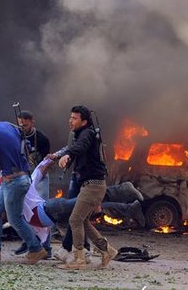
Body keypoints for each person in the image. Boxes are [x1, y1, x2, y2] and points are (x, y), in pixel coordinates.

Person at [11, 159, 145, 259]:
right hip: (53, 214)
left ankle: (123, 190)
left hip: (54, 209)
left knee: (88, 201)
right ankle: (108, 247)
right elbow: (38, 233)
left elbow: (37, 174)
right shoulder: (19, 217)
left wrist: (49, 160)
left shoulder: (22, 192)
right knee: (85, 215)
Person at [0, 105, 46, 264]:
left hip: (14, 181)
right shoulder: (10, 126)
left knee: (14, 219)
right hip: (19, 178)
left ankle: (36, 249)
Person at [57, 105, 117, 270]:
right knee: (82, 221)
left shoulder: (87, 134)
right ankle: (107, 250)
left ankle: (80, 259)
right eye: (70, 117)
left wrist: (68, 154)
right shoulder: (83, 134)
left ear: (84, 121)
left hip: (93, 186)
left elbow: (81, 146)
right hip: (90, 185)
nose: (70, 121)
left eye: (74, 118)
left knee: (75, 219)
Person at [17, 110, 52, 257]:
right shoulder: (16, 136)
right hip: (23, 176)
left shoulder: (42, 139)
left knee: (42, 211)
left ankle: (47, 247)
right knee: (23, 211)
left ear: (32, 122)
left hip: (40, 177)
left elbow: (47, 162)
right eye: (20, 124)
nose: (23, 127)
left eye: (25, 124)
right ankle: (29, 242)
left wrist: (38, 177)